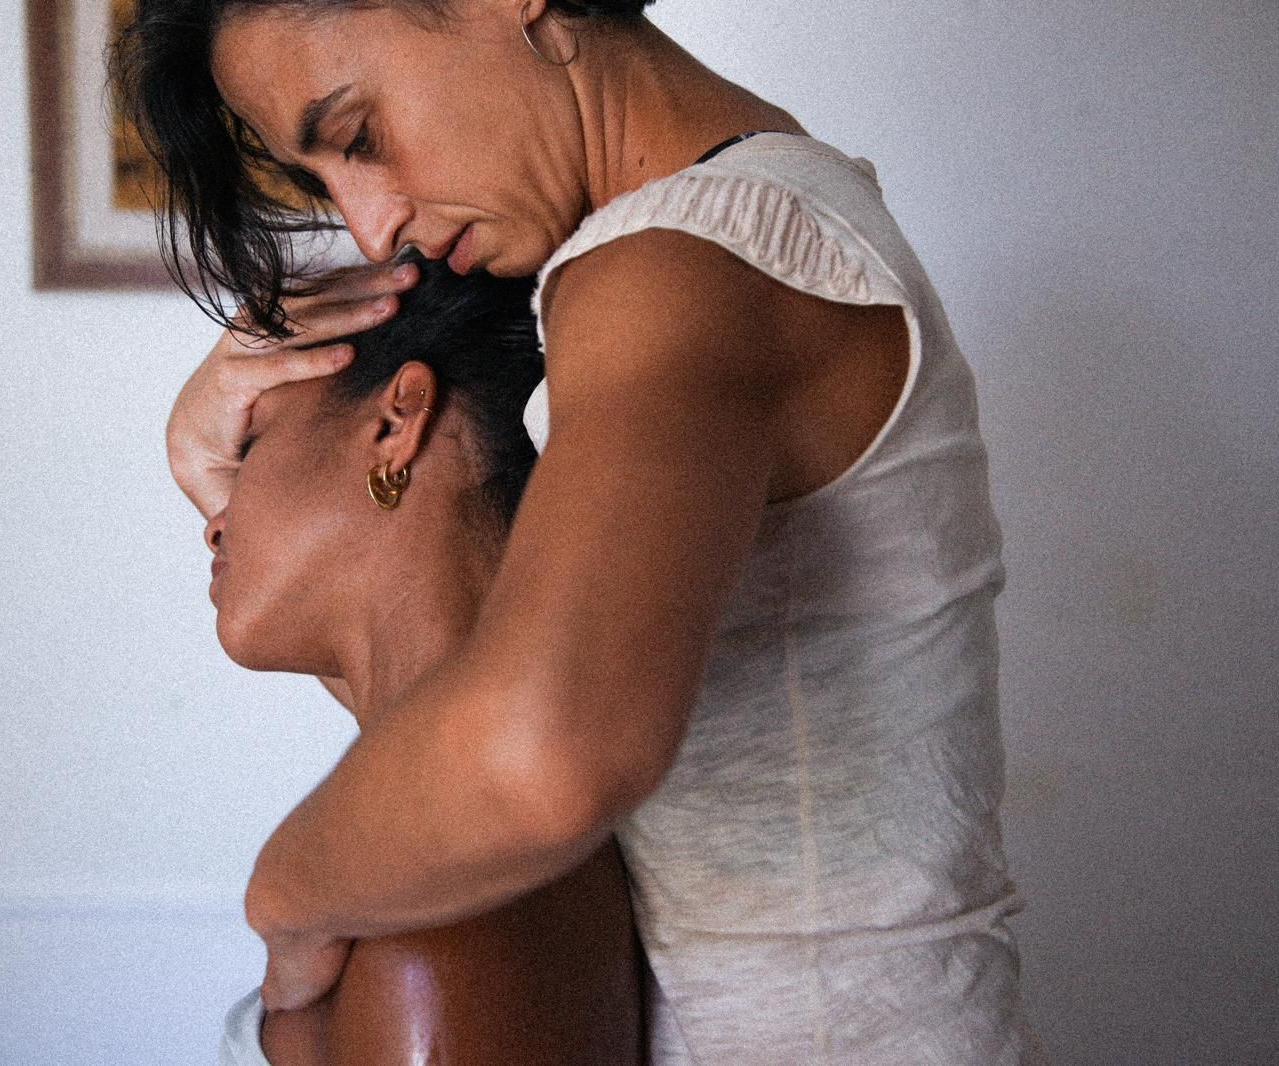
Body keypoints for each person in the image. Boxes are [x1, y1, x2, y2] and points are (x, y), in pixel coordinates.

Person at [117, 0, 1044, 1061]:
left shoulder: (676, 264)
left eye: (359, 136)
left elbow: (537, 757)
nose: (371, 226)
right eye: (327, 179)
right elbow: (442, 697)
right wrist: (213, 468)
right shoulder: (748, 226)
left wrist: (285, 898)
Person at [205, 259, 642, 1064]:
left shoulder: (438, 921)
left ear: (395, 422)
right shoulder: (434, 851)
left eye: (252, 445)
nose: (213, 523)